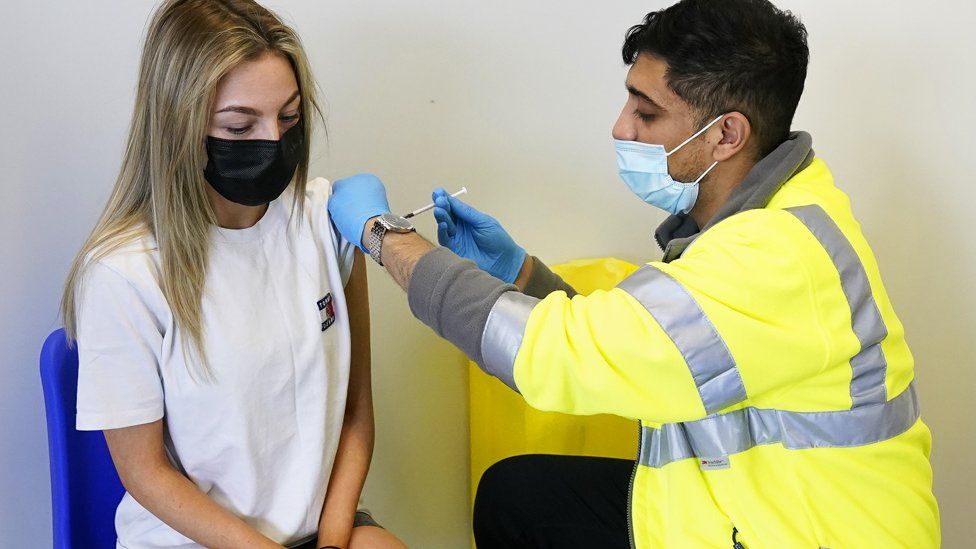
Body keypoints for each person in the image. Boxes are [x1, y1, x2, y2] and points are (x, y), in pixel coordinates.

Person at [326, 0, 941, 547]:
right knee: (519, 495)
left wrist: (385, 237)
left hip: (805, 531)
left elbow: (563, 359)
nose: (622, 127)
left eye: (646, 113)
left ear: (726, 133)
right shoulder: (775, 208)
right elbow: (653, 350)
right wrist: (521, 274)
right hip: (741, 504)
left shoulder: (771, 256)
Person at [61, 1, 406, 548]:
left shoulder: (326, 222)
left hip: (321, 530)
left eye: (289, 117)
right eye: (240, 125)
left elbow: (355, 413)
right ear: (180, 125)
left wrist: (336, 541)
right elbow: (144, 473)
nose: (273, 140)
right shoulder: (123, 274)